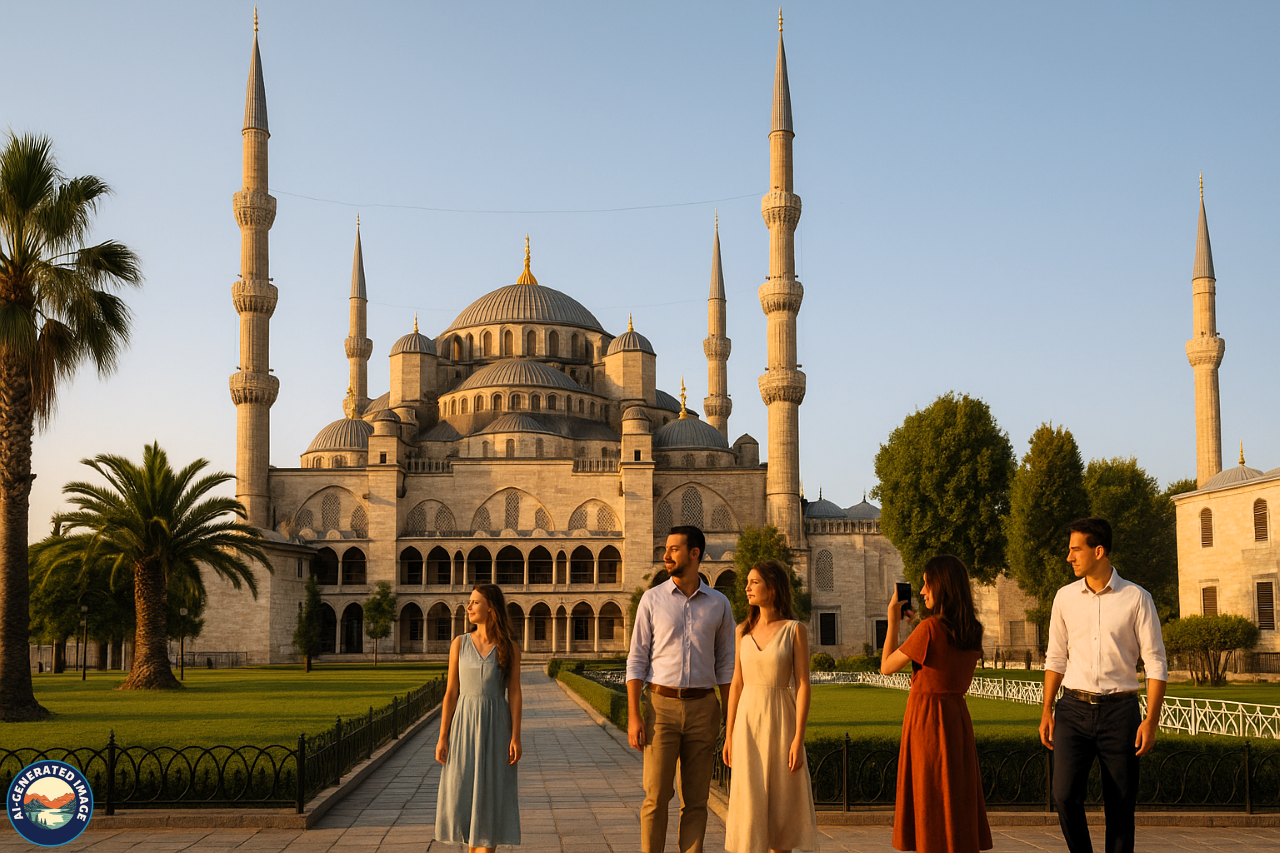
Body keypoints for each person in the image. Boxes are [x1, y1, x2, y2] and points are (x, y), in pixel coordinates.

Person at [1040, 518, 1168, 853]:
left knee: (1121, 806)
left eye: (1075, 549)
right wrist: (1046, 711)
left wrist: (1151, 722)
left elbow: (1156, 663)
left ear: (1099, 551)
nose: (1069, 557)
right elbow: (1055, 658)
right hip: (1072, 710)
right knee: (1064, 795)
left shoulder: (1137, 598)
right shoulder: (1064, 598)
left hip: (1120, 713)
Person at [626, 525, 736, 853]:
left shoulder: (719, 604)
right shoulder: (652, 600)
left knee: (697, 800)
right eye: (666, 549)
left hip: (704, 707)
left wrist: (729, 719)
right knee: (656, 796)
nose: (666, 555)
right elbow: (636, 661)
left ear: (694, 554)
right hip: (661, 705)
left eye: (674, 549)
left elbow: (726, 667)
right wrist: (634, 715)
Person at [881, 555, 992, 853]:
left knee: (929, 792)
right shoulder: (972, 629)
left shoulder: (930, 629)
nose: (921, 591)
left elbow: (887, 666)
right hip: (956, 716)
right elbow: (943, 662)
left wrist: (893, 621)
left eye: (926, 583)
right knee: (954, 791)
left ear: (941, 585)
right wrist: (917, 626)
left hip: (927, 718)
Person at [723, 560, 818, 853]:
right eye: (747, 582)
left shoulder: (794, 630)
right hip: (748, 723)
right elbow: (736, 683)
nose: (747, 587)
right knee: (750, 805)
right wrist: (728, 735)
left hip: (781, 722)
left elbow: (802, 684)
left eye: (754, 582)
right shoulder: (741, 631)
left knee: (781, 806)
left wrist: (798, 739)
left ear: (773, 589)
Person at [435, 584, 522, 852]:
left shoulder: (509, 647)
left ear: (491, 608)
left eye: (474, 602)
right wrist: (442, 736)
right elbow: (451, 692)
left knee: (491, 795)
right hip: (464, 726)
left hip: (497, 727)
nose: (468, 607)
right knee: (464, 793)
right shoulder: (459, 643)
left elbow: (515, 693)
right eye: (469, 602)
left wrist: (516, 737)